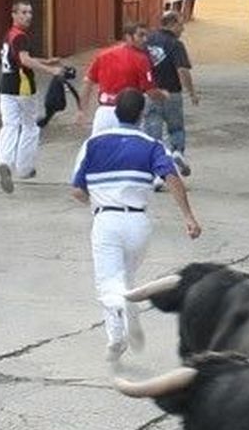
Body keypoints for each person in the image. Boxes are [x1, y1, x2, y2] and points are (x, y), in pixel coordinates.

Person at [70, 88, 202, 362]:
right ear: (142, 114)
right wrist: (188, 216)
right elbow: (172, 178)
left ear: (115, 112)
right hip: (138, 224)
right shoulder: (152, 145)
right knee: (125, 276)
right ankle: (130, 319)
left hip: (106, 220)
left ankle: (116, 336)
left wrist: (96, 198)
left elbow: (78, 191)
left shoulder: (93, 144)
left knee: (108, 281)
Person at [0, 0, 66, 193]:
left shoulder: (9, 35)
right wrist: (51, 70)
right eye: (24, 12)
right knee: (30, 127)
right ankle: (24, 168)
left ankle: (4, 162)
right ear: (14, 14)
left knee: (9, 125)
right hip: (23, 86)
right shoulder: (21, 37)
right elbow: (25, 60)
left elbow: (17, 59)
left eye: (30, 12)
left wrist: (45, 61)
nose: (28, 16)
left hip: (6, 86)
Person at [78, 22, 162, 137]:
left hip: (104, 114)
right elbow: (150, 91)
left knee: (99, 146)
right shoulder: (141, 59)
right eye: (140, 35)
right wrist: (164, 96)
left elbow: (88, 82)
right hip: (129, 116)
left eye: (146, 35)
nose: (145, 39)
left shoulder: (103, 55)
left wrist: (82, 110)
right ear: (128, 37)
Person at [142, 11, 196, 175]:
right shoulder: (175, 44)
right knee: (176, 128)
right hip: (172, 93)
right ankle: (177, 151)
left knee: (152, 131)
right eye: (180, 25)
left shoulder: (147, 41)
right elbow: (182, 70)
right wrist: (191, 92)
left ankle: (156, 167)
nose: (183, 29)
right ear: (171, 24)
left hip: (151, 92)